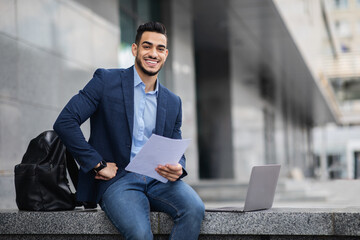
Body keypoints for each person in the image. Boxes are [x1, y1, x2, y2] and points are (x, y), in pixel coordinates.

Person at [53, 21, 205, 239]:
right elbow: (65, 121)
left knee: (195, 209)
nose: (153, 53)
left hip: (158, 179)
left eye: (160, 48)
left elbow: (175, 146)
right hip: (118, 181)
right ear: (135, 49)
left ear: (166, 54)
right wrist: (97, 164)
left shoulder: (173, 101)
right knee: (139, 233)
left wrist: (178, 167)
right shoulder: (106, 80)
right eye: (147, 46)